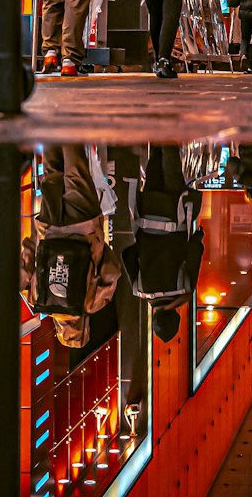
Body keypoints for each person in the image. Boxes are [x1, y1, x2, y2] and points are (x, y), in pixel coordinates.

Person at [20, 144, 121, 348]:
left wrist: (99, 246)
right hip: (49, 227)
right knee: (52, 174)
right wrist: (34, 239)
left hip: (83, 227)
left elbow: (112, 271)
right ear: (59, 328)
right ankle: (49, 124)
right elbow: (26, 265)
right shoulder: (38, 302)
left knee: (76, 171)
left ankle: (67, 119)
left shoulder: (91, 304)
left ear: (84, 328)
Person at [121, 144, 204, 343]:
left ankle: (167, 128)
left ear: (175, 316)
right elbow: (127, 255)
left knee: (171, 169)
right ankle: (156, 132)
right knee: (154, 170)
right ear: (155, 317)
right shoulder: (139, 289)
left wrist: (198, 238)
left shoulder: (184, 290)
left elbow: (193, 254)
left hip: (175, 215)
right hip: (148, 214)